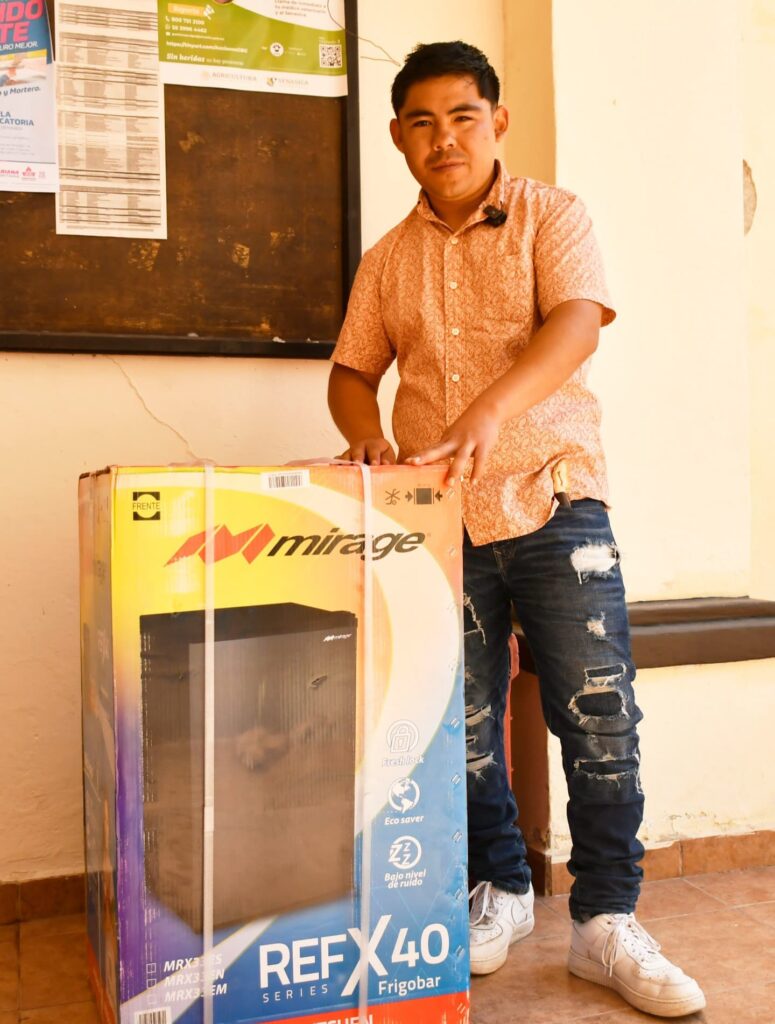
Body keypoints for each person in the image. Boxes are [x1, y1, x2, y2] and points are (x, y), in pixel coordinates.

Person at [327, 40, 706, 1019]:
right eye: (421, 122)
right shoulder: (387, 259)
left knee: (597, 711)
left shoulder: (552, 215)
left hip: (553, 494)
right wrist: (364, 434)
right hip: (436, 518)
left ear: (496, 121)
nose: (443, 138)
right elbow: (351, 371)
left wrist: (488, 412)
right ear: (397, 138)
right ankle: (497, 886)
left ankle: (605, 919)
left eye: (462, 116)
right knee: (457, 721)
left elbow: (575, 323)